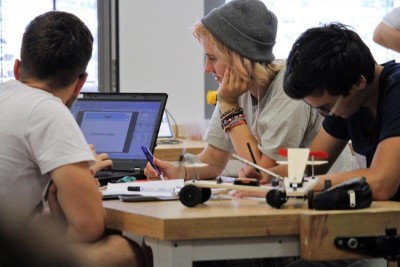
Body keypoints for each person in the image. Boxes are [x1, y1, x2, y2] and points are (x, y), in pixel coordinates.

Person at [145, 0, 355, 184]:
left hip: (335, 200)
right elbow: (213, 161)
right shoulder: (235, 88)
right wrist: (178, 171)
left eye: (212, 58)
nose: (207, 69)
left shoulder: (288, 88)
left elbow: (261, 170)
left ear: (239, 58)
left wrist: (229, 106)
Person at [0, 11, 144, 267]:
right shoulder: (49, 110)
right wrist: (84, 177)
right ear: (80, 83)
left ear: (18, 68)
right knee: (125, 249)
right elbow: (88, 226)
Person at [283, 22, 400, 201]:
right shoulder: (349, 101)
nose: (326, 115)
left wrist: (299, 185)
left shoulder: (396, 89)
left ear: (358, 83)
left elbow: (382, 183)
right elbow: (311, 165)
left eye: (327, 107)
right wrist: (267, 176)